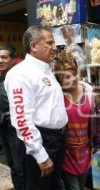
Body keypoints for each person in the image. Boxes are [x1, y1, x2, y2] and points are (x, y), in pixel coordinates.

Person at [4, 25, 68, 190]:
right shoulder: (21, 74)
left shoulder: (46, 70)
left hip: (58, 140)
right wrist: (40, 155)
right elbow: (21, 119)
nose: (55, 47)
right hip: (41, 143)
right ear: (33, 46)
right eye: (50, 43)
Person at [54, 50, 100, 190]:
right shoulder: (57, 95)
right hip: (66, 153)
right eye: (66, 77)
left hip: (85, 151)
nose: (73, 79)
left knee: (81, 184)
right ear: (59, 79)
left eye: (74, 74)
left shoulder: (88, 91)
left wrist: (97, 140)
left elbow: (96, 118)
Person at [0, 45, 25, 190]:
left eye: (4, 57)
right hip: (4, 130)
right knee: (11, 165)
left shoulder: (16, 78)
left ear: (13, 59)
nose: (0, 60)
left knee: (19, 166)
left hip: (16, 130)